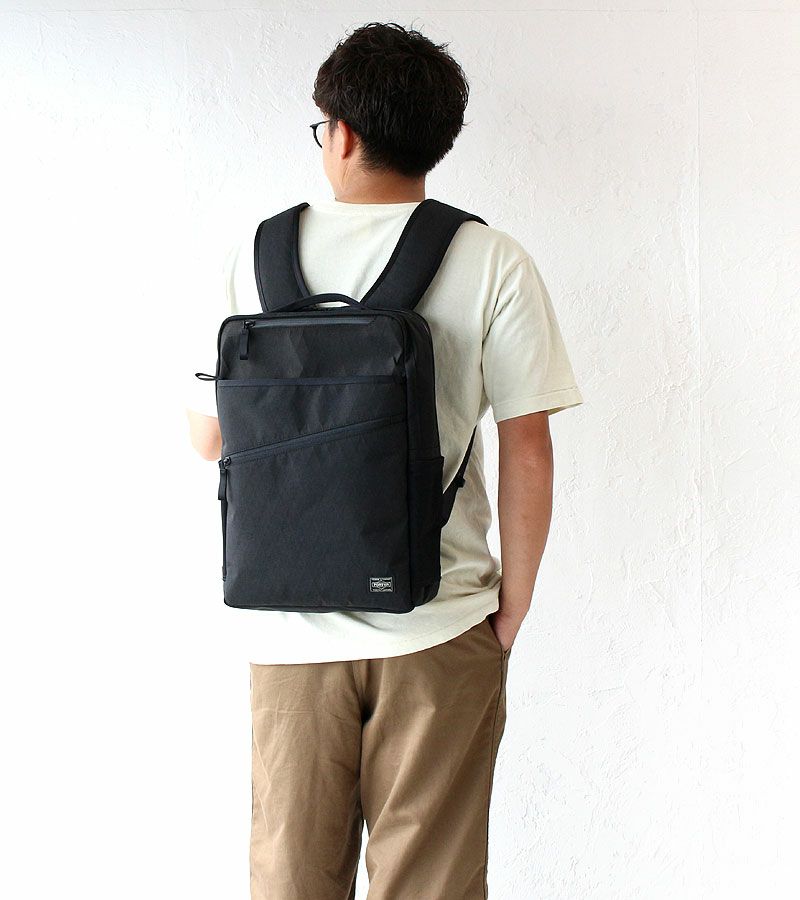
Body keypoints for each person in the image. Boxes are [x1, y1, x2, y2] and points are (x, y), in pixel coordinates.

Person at [186, 21, 583, 900]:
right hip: (440, 623)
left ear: (343, 134)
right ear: (437, 140)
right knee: (431, 881)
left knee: (290, 879)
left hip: (287, 632)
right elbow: (527, 447)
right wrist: (510, 608)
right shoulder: (491, 259)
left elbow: (210, 440)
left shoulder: (252, 257)